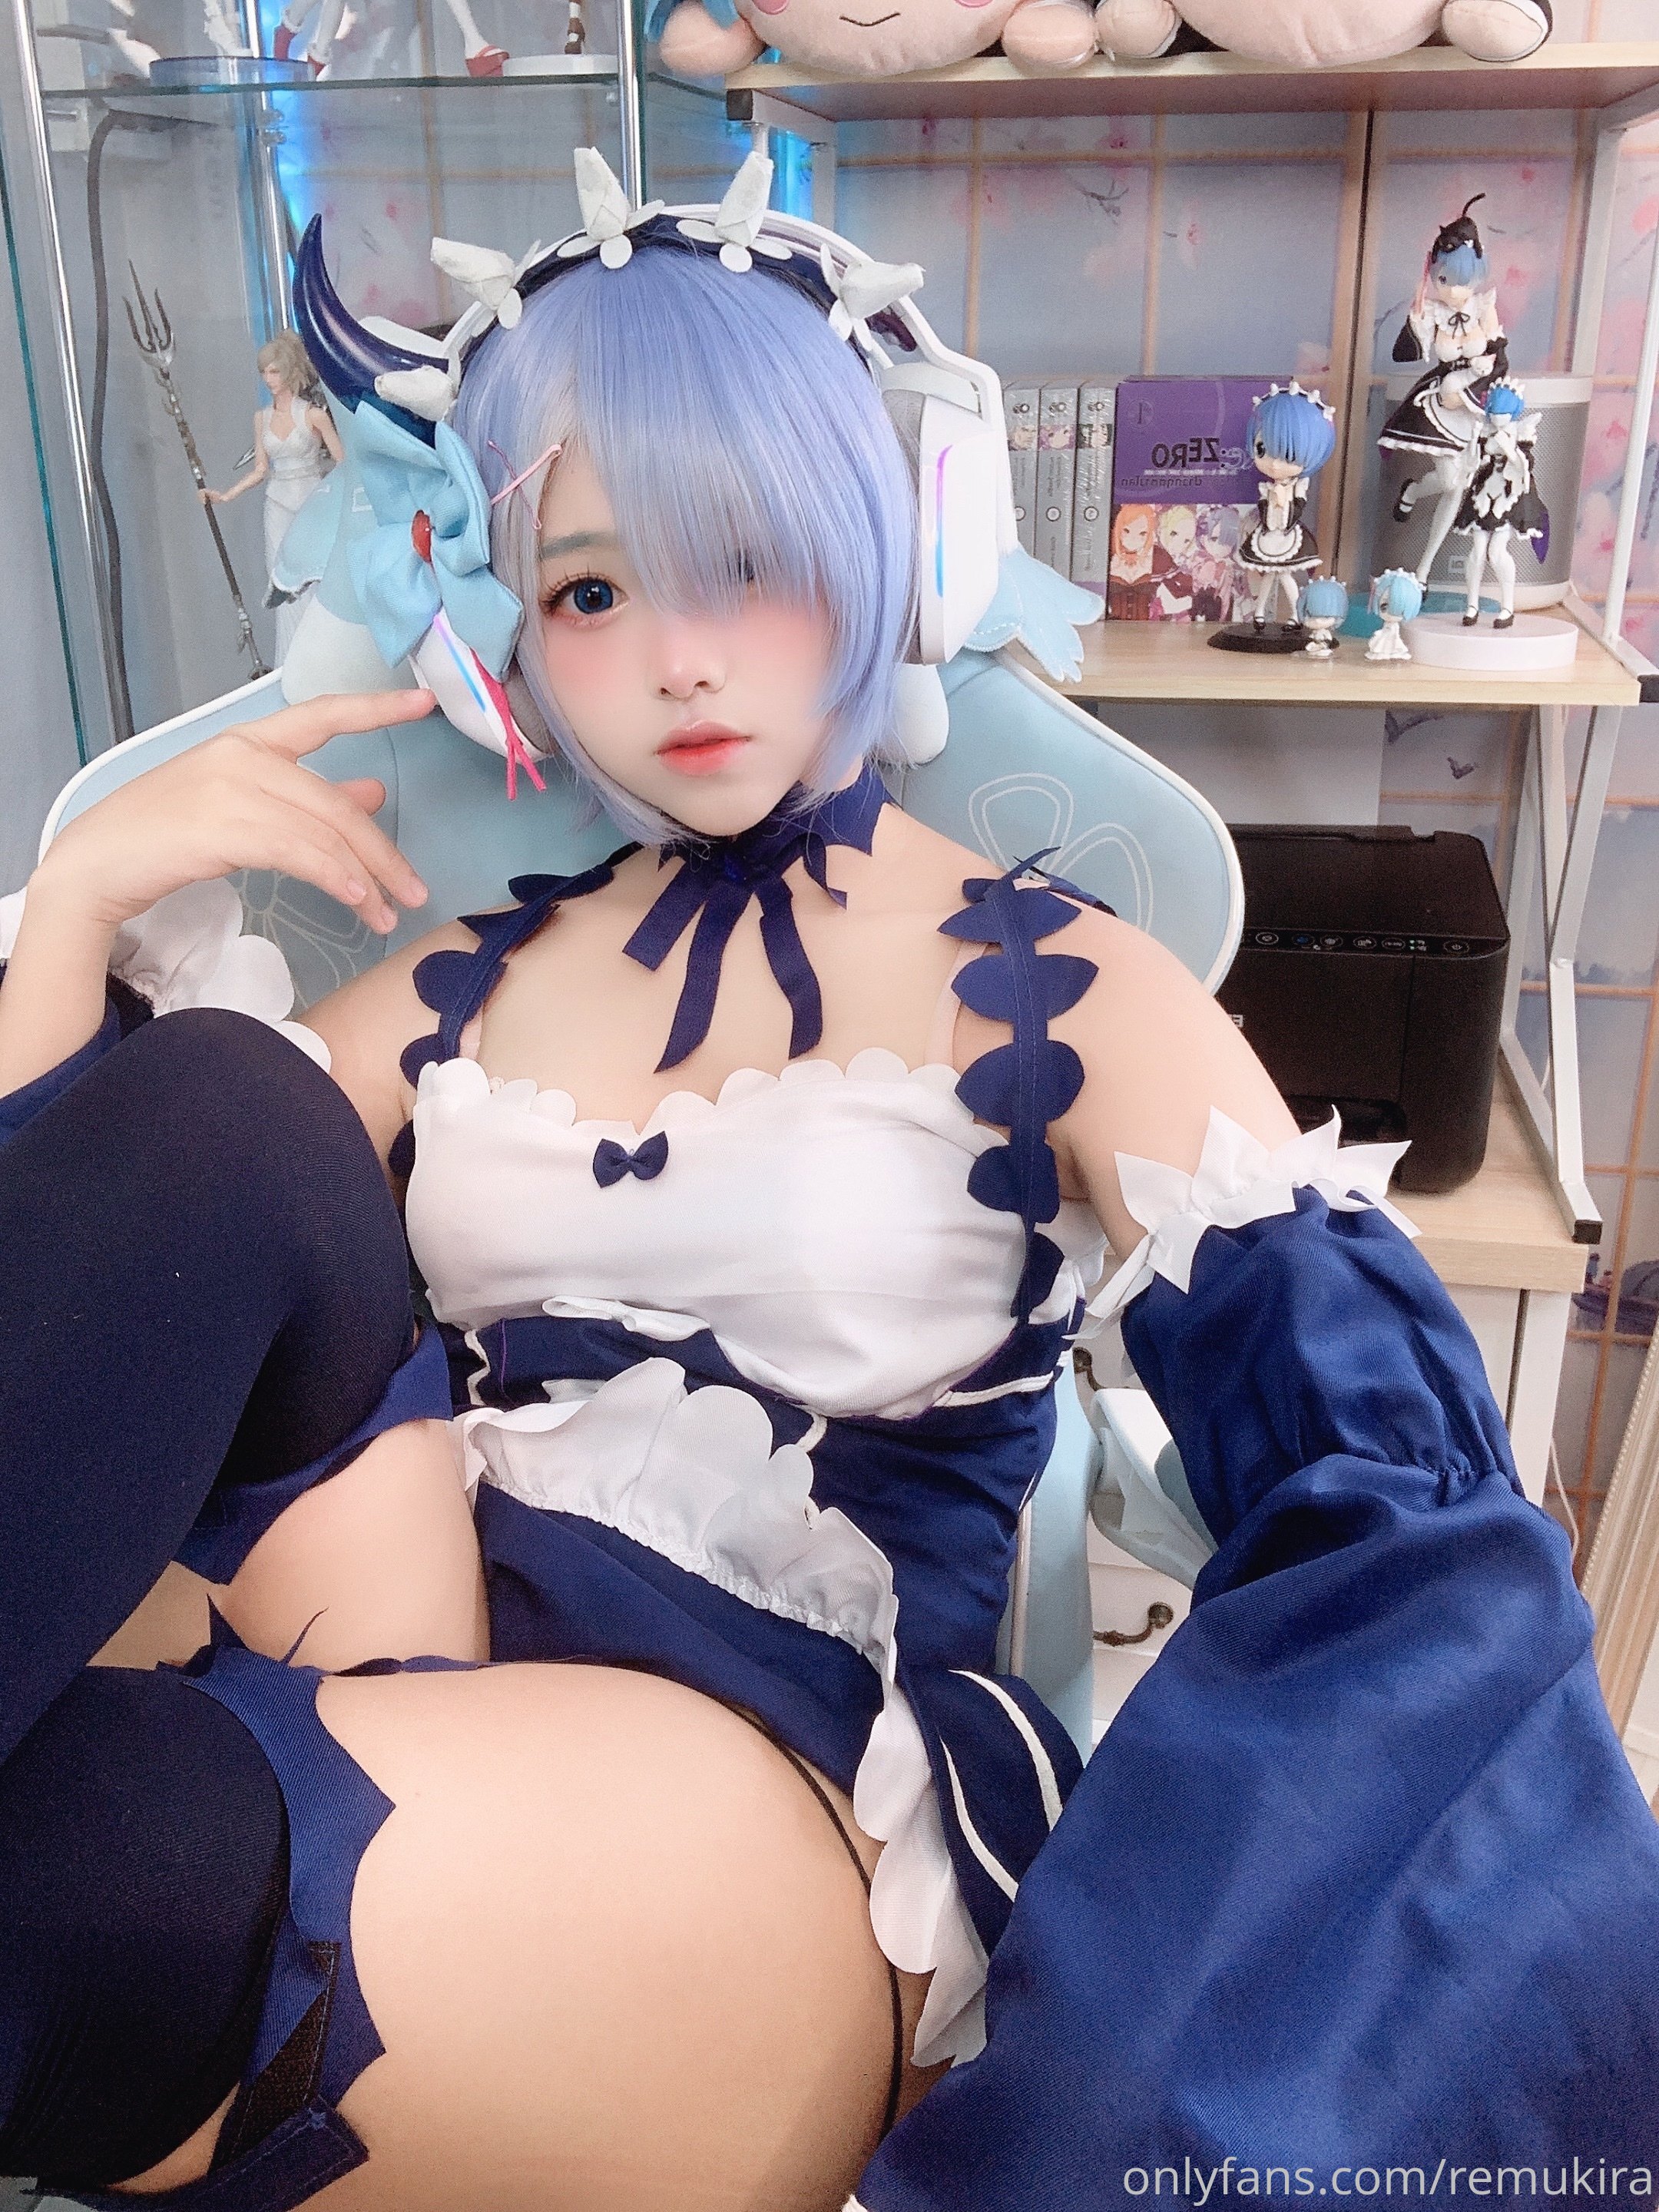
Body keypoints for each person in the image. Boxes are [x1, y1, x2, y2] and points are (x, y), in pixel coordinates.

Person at [2, 154, 1657, 2212]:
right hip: (419, 1648)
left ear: (874, 541)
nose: (679, 659)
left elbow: (1380, 1477)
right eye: (593, 591)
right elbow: (110, 1284)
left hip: (768, 1825)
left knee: (89, 1852)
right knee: (224, 1108)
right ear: (513, 618)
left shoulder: (1050, 980)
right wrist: (79, 895)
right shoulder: (472, 976)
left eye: (747, 560)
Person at [201, 333, 343, 660]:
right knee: (283, 585)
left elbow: (343, 463)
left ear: (290, 371)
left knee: (317, 579)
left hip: (312, 505)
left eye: (274, 371)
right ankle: (292, 660)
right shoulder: (261, 418)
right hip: (277, 505)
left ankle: (327, 657)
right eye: (264, 372)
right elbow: (260, 469)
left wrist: (333, 500)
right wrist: (226, 495)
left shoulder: (314, 415)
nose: (268, 378)